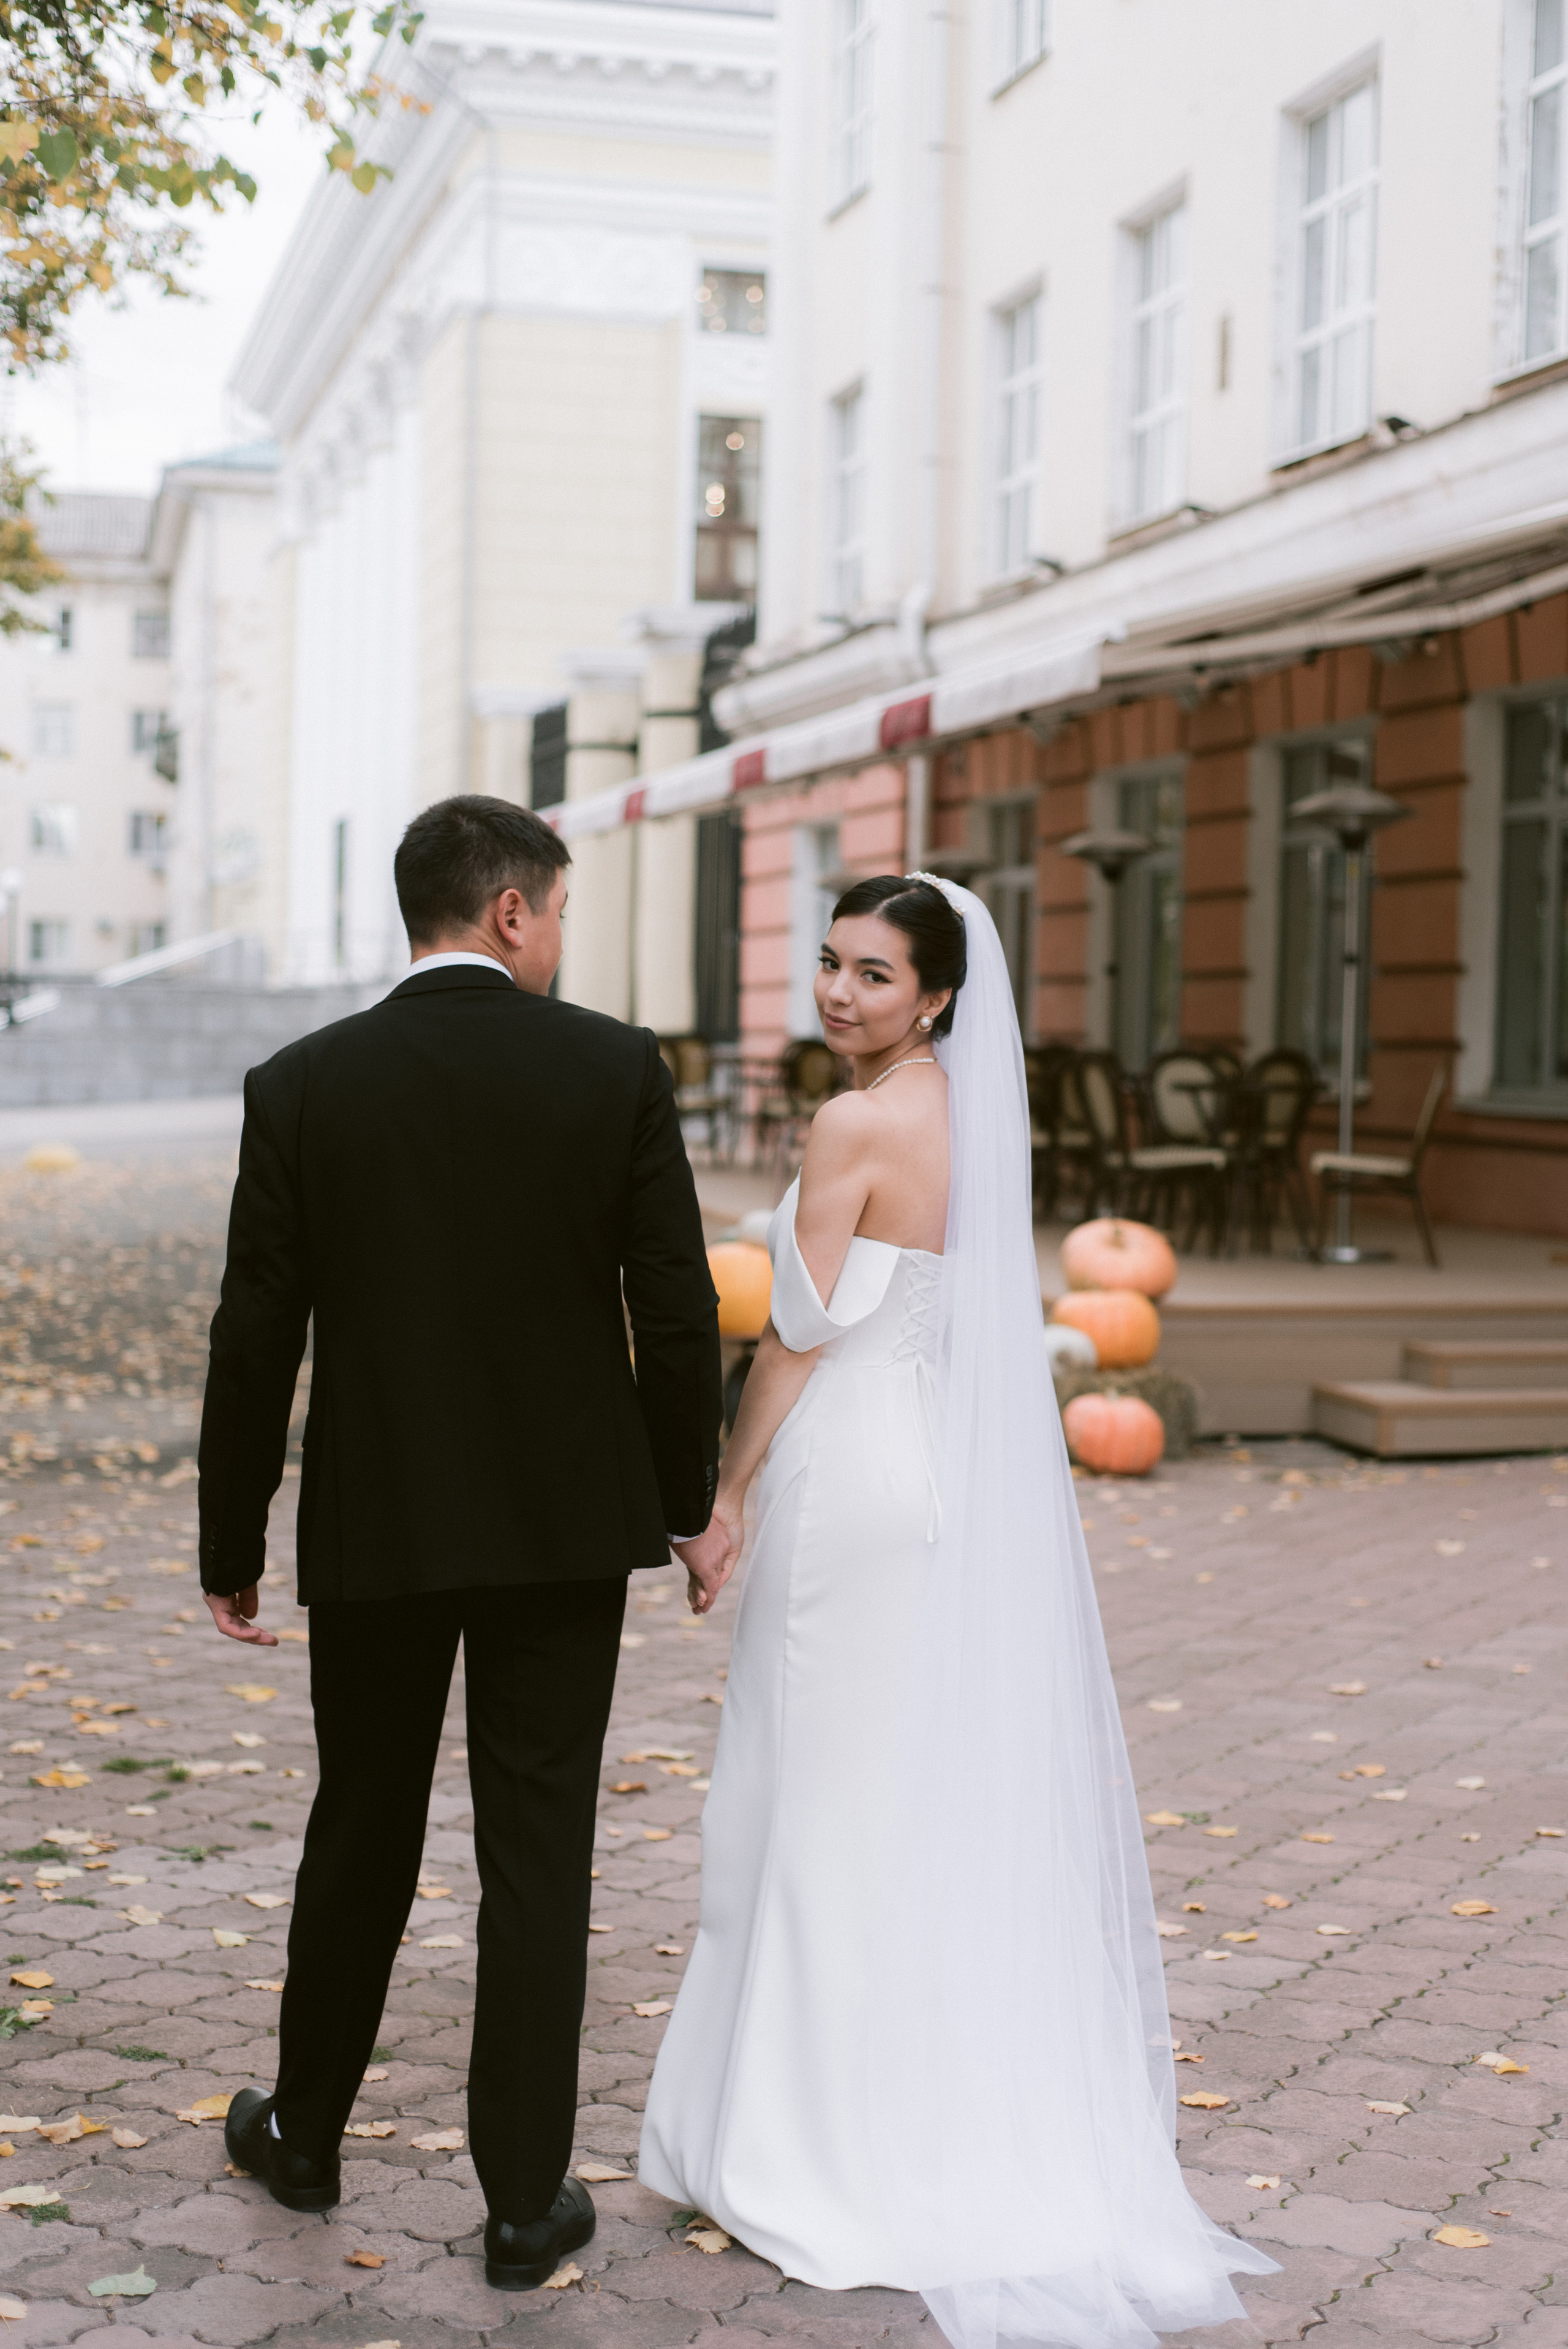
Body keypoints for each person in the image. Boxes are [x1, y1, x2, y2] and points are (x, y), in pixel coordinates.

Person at [639, 873, 1278, 2349]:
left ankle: (797, 2152)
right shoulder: (964, 1119)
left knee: (802, 1803)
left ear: (934, 995)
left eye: (873, 974)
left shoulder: (853, 1123)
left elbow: (796, 1338)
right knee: (882, 1799)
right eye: (827, 963)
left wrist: (723, 1498)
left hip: (842, 1476)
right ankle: (890, 2113)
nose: (838, 993)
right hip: (926, 1473)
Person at [196, 795, 727, 2291]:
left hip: (380, 1521)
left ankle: (303, 2139)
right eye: (554, 910)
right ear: (509, 911)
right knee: (537, 1850)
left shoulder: (302, 1083)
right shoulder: (616, 1069)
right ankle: (519, 2204)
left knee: (357, 1823)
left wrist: (229, 1533)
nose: (559, 938)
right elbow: (677, 1312)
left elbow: (256, 1335)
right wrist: (683, 1504)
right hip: (564, 1525)